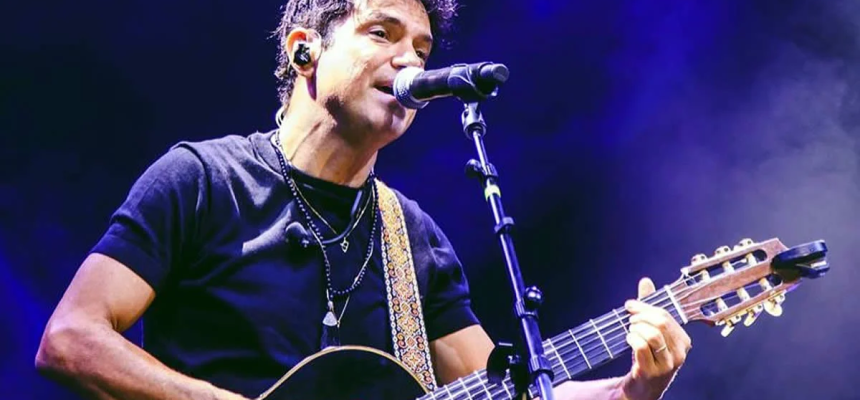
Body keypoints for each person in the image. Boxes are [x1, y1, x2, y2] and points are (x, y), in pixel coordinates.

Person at [34, 0, 692, 399]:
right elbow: (70, 340)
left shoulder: (414, 238)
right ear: (304, 51)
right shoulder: (201, 179)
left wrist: (632, 389)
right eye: (383, 33)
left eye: (422, 49)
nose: (411, 62)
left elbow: (509, 393)